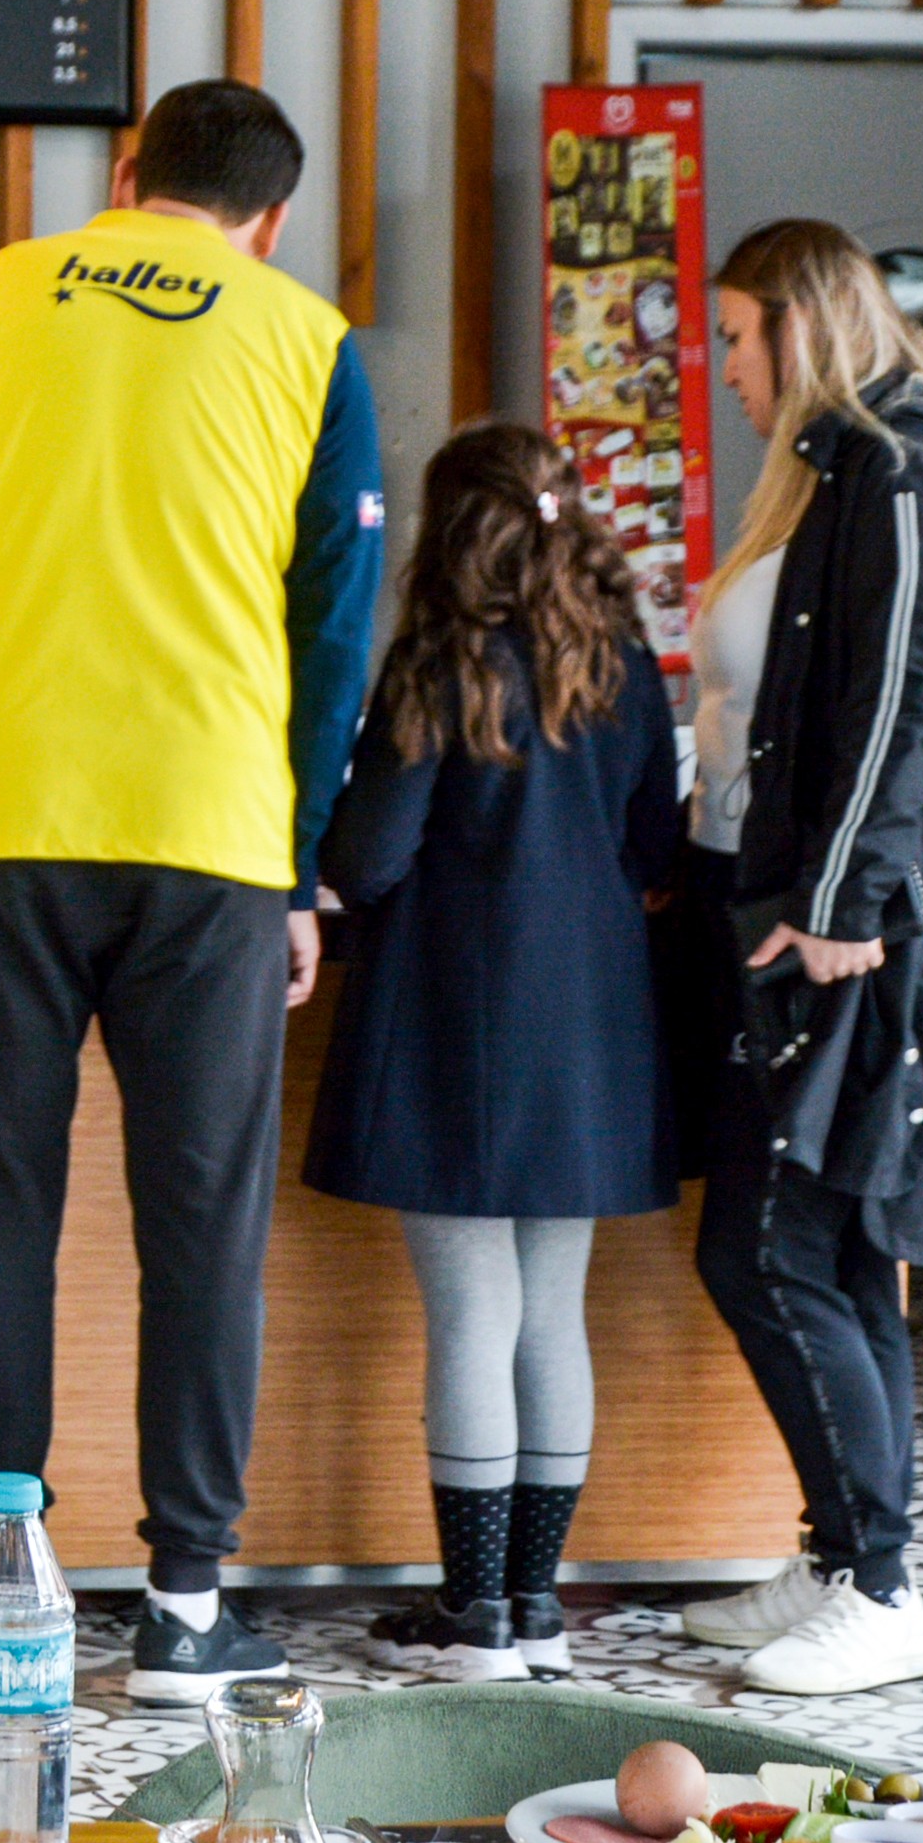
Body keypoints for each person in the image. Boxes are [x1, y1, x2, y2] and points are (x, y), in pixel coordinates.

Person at [0, 78, 384, 1706]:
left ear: (122, 174)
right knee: (198, 1221)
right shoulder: (307, 339)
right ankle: (185, 1607)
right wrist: (296, 869)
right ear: (267, 217)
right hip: (208, 842)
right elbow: (336, 630)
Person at [666, 220, 923, 1696]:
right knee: (821, 1247)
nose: (725, 372)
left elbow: (902, 702)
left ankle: (879, 1586)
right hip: (835, 923)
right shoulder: (867, 460)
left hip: (860, 940)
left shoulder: (899, 465)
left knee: (769, 1247)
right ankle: (842, 1556)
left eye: (735, 340)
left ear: (801, 324)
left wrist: (832, 903)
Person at [300, 424, 687, 1683]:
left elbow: (367, 860)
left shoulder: (437, 667)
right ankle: (531, 1605)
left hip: (453, 1022)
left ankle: (473, 1619)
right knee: (546, 1316)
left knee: (471, 1313)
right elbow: (654, 852)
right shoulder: (621, 661)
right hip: (592, 1027)